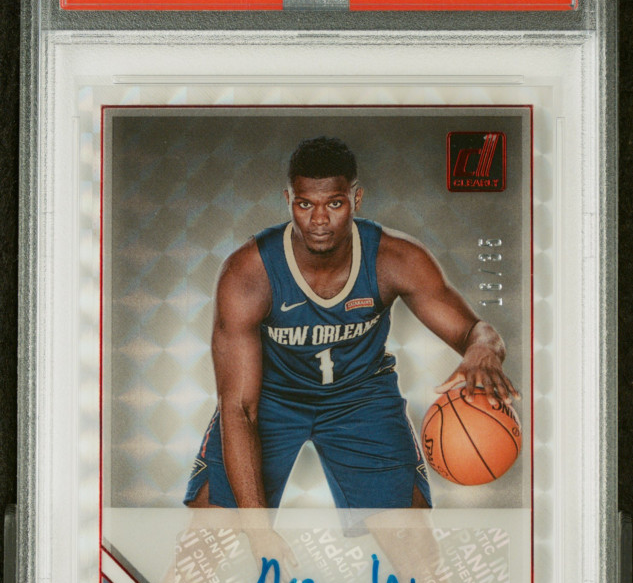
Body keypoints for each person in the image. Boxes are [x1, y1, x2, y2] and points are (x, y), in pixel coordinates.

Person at [183, 135, 517, 528]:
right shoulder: (248, 273)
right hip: (272, 396)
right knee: (205, 545)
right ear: (288, 200)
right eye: (305, 204)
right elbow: (239, 408)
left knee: (415, 550)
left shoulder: (395, 259)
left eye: (334, 204)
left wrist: (484, 348)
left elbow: (475, 331)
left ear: (356, 199)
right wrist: (257, 530)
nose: (319, 220)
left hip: (360, 397)